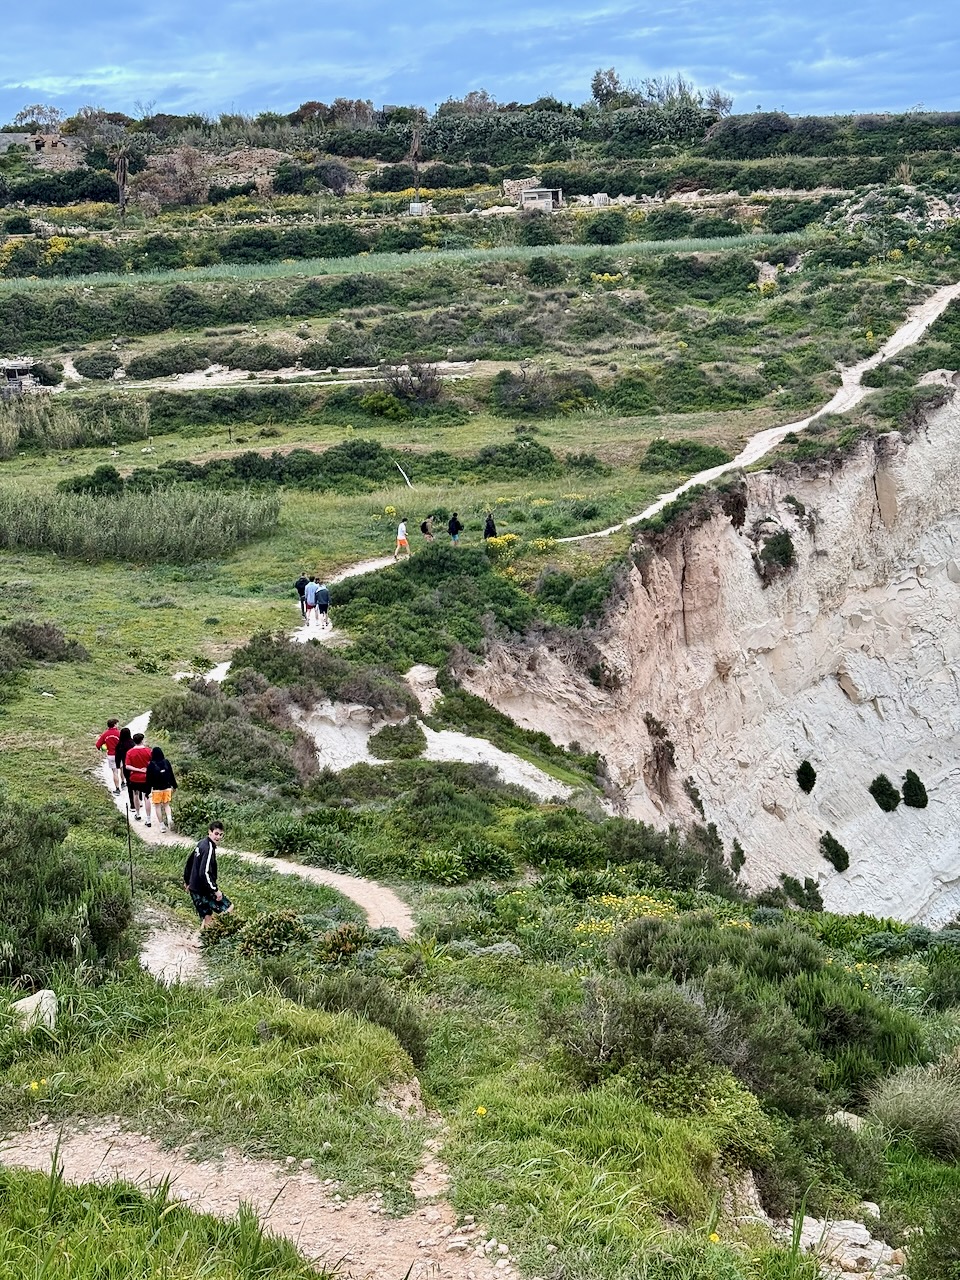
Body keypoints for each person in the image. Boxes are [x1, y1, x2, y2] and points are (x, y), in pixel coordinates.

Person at [183, 822, 232, 928]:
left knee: (207, 918)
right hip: (203, 889)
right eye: (216, 833)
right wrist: (215, 890)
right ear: (210, 832)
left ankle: (201, 937)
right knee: (229, 907)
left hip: (194, 888)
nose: (218, 837)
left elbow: (190, 862)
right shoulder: (208, 848)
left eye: (221, 834)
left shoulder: (201, 843)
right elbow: (204, 872)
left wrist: (187, 881)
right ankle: (221, 931)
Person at [146, 745, 178, 833]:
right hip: (167, 787)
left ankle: (162, 825)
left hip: (156, 789)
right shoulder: (166, 762)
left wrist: (147, 791)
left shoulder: (151, 765)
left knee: (158, 807)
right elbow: (171, 775)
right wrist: (174, 786)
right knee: (167, 805)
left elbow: (148, 780)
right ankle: (169, 819)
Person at [124, 732, 153, 825]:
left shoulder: (130, 752)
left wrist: (138, 770)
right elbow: (152, 763)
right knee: (146, 796)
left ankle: (138, 814)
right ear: (142, 740)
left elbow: (127, 766)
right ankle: (148, 819)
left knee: (136, 794)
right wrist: (146, 769)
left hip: (134, 777)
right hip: (146, 777)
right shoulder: (148, 751)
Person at [96, 718, 122, 795]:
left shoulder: (105, 734)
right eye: (117, 723)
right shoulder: (119, 733)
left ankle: (117, 789)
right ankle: (123, 782)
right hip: (119, 754)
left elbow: (98, 745)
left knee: (115, 772)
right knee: (122, 768)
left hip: (111, 755)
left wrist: (102, 749)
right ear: (114, 724)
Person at [114, 726, 134, 808]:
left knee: (129, 784)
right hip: (135, 766)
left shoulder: (120, 745)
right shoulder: (133, 743)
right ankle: (139, 799)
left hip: (126, 767)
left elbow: (117, 757)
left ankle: (132, 804)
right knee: (137, 783)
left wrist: (118, 765)